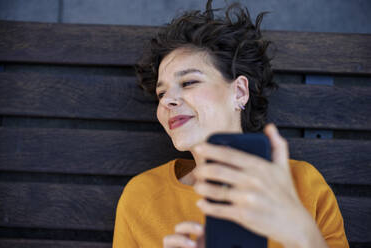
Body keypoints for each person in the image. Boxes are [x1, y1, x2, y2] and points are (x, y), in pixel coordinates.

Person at [112, 1, 349, 247]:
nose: (168, 101)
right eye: (161, 94)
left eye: (189, 82)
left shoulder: (303, 184)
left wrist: (302, 234)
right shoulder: (141, 196)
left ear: (239, 92)